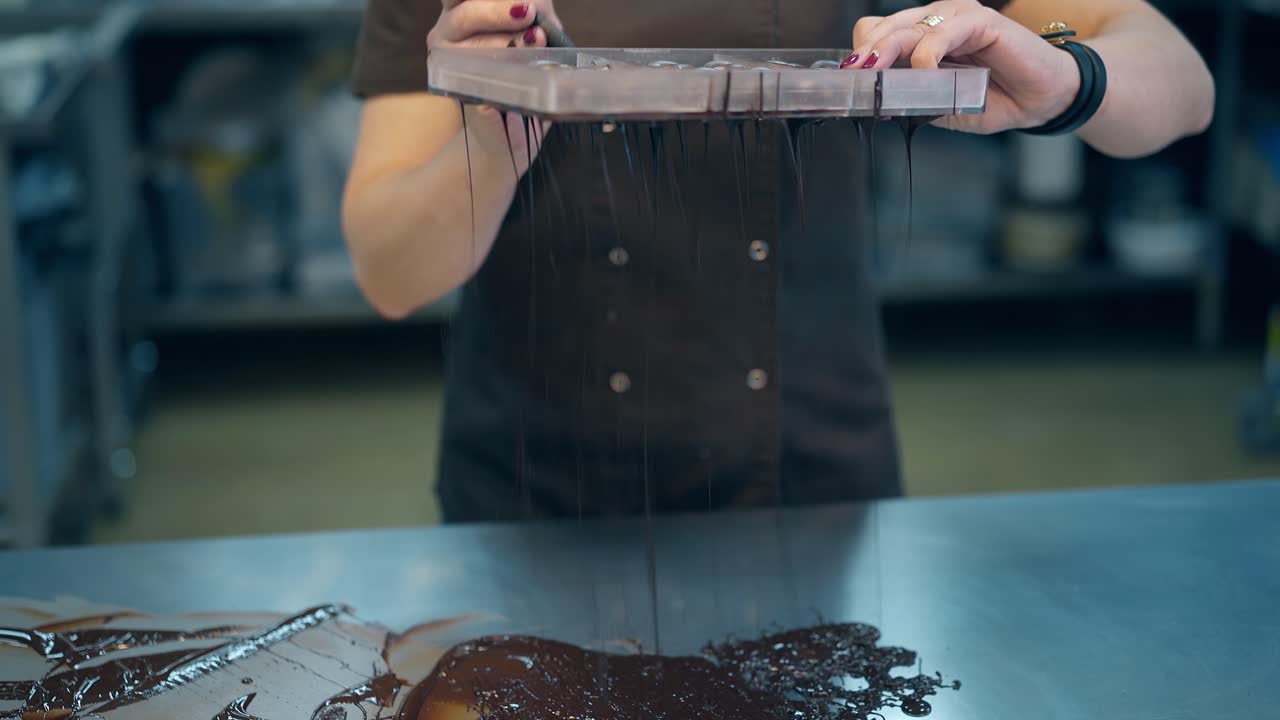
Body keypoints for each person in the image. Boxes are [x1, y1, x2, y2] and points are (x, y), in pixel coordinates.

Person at [343, 0, 1214, 522]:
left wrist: (1066, 79)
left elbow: (1181, 82)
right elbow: (390, 272)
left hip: (810, 478)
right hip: (537, 492)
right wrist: (495, 132)